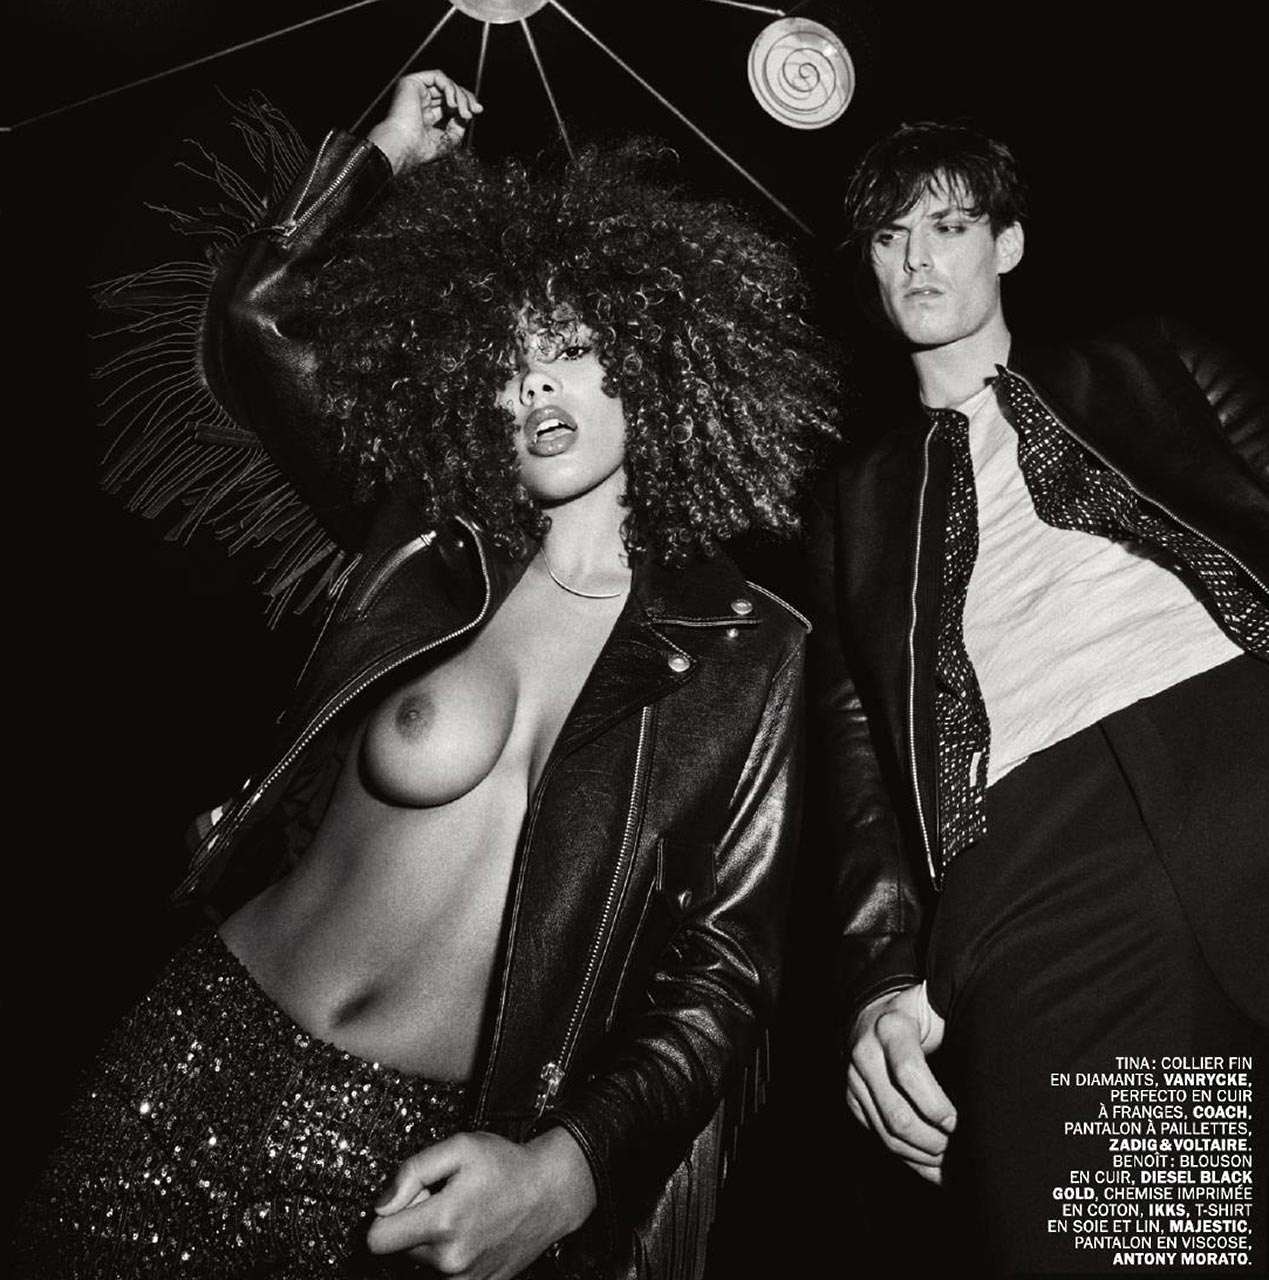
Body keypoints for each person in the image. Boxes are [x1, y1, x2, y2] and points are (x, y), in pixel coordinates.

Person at [15, 69, 840, 1279]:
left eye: (572, 348)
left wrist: (569, 1167)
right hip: (198, 1047)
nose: (534, 383)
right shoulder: (427, 535)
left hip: (412, 1157)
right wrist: (386, 151)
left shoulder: (750, 648)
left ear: (660, 362)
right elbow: (260, 318)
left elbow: (727, 974)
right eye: (508, 359)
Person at [809, 120, 1268, 1274]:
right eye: (890, 235)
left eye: (950, 225)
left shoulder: (1155, 360)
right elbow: (861, 770)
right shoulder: (855, 505)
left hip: (1244, 740)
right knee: (1147, 1244)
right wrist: (881, 975)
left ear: (1007, 244)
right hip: (1045, 872)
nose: (919, 258)